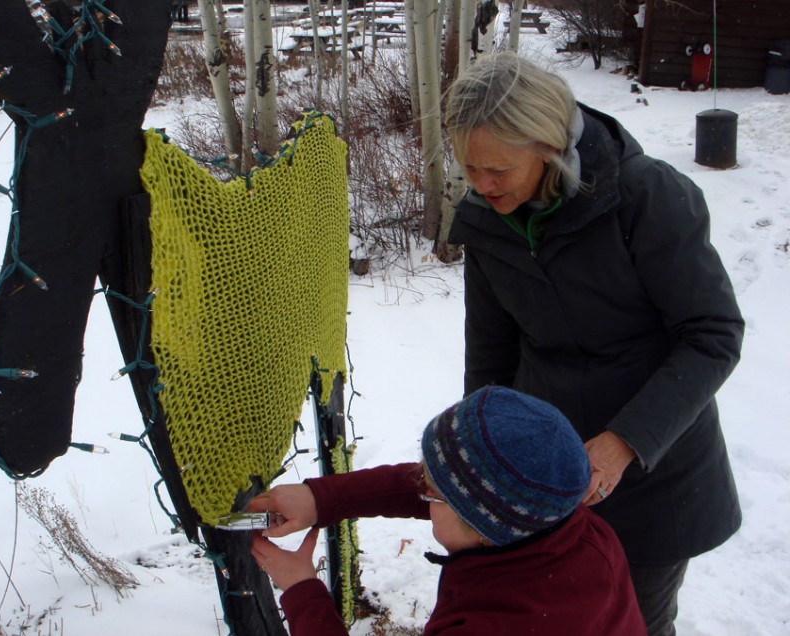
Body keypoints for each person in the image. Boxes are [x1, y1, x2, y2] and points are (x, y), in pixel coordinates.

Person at [443, 50, 744, 636]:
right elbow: (490, 357)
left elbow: (712, 334)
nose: (480, 185)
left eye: (498, 169)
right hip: (545, 476)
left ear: (548, 147)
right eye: (468, 167)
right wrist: (476, 455)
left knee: (634, 623)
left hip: (655, 470)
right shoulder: (485, 218)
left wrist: (624, 443)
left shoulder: (645, 195)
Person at [249, 385, 647, 635]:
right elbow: (447, 490)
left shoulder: (492, 625)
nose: (420, 489)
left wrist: (302, 593)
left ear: (482, 526)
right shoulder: (572, 531)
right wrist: (321, 499)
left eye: (432, 494)